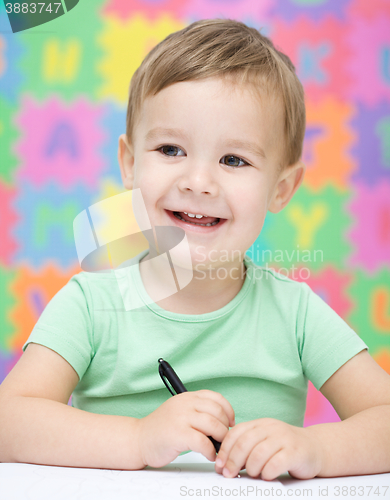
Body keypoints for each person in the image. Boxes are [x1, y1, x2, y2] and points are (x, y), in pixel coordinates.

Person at [0, 19, 389, 481]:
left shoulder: (296, 312)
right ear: (129, 163)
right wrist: (138, 439)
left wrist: (316, 448)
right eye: (170, 149)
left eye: (233, 160)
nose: (198, 182)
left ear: (281, 189)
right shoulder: (92, 303)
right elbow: (8, 422)